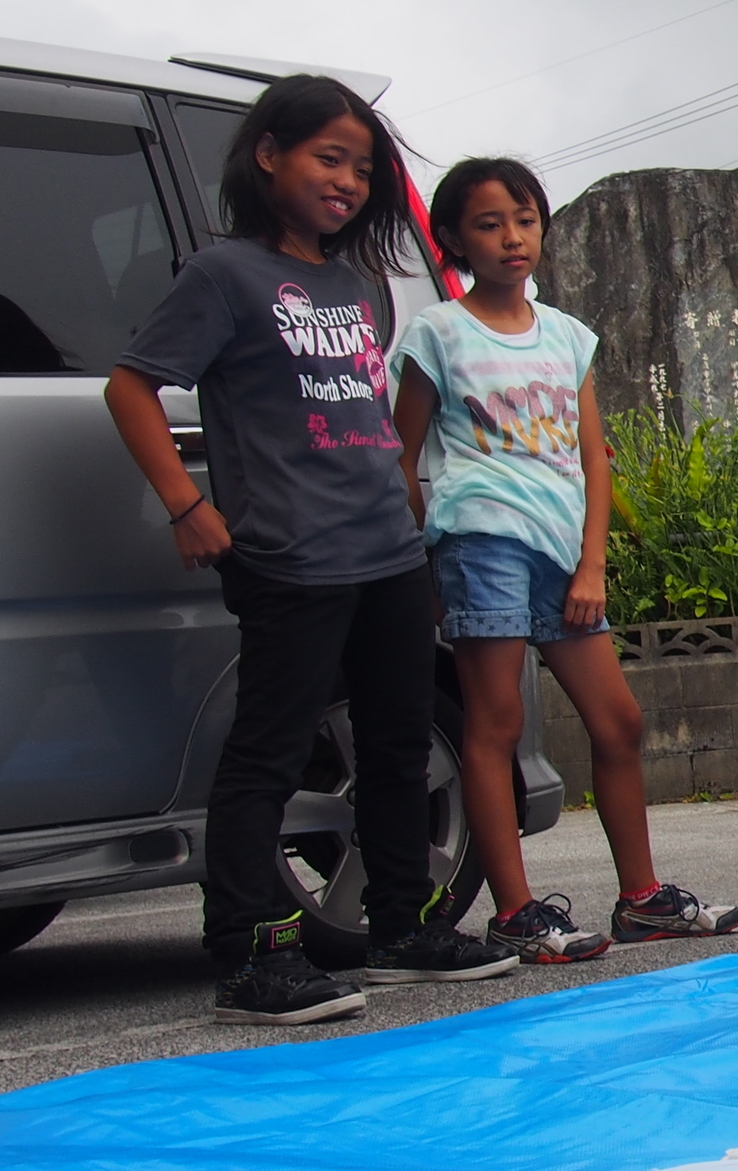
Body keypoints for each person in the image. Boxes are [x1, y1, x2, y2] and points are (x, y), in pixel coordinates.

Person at [103, 75, 517, 1024]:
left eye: (362, 168)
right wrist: (184, 503)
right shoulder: (222, 276)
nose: (347, 182)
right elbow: (132, 389)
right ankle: (253, 953)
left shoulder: (361, 285)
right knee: (270, 751)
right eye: (329, 158)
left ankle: (403, 929)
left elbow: (366, 418)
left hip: (385, 549)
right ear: (268, 156)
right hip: (288, 553)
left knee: (398, 743)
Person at [390, 160, 738, 959]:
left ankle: (643, 899)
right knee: (496, 724)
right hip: (482, 540)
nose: (512, 238)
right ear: (452, 239)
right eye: (488, 223)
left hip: (562, 548)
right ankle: (516, 912)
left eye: (524, 218)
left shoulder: (568, 335)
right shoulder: (439, 332)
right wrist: (432, 556)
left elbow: (593, 459)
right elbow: (399, 456)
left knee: (618, 720)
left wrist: (592, 565)